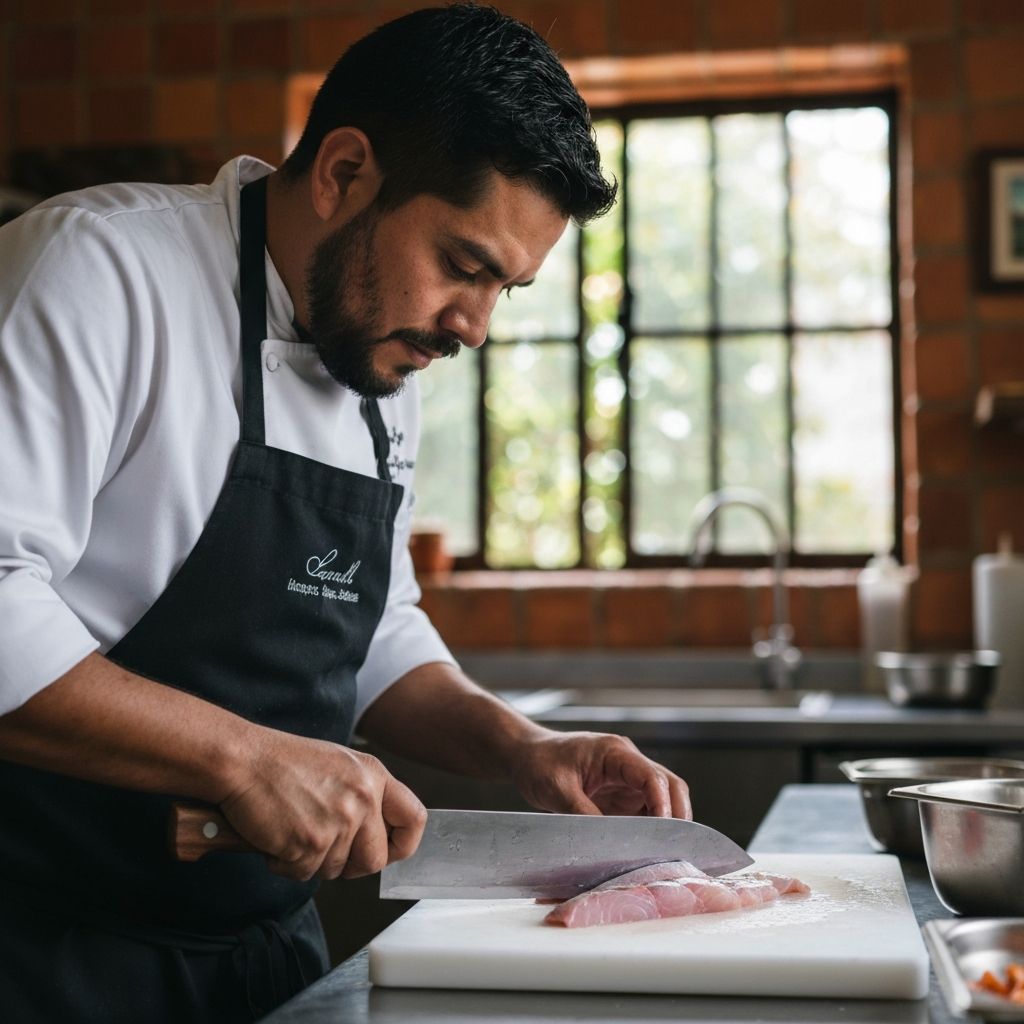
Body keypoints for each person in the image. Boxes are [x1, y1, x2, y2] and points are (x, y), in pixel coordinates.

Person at [0, 4, 691, 1021]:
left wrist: (517, 747)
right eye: (464, 265)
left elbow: (371, 635)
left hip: (269, 955)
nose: (475, 328)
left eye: (507, 287)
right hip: (53, 955)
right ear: (343, 173)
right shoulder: (98, 272)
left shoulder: (373, 353)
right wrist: (244, 756)